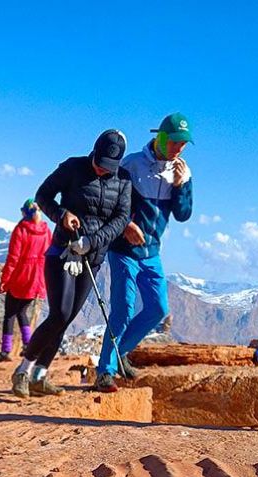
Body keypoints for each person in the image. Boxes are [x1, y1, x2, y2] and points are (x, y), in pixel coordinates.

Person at [11, 130, 131, 398]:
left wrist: (91, 242)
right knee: (60, 314)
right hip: (62, 252)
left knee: (65, 320)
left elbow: (121, 219)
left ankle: (40, 376)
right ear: (94, 152)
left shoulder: (123, 181)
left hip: (92, 258)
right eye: (99, 164)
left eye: (108, 168)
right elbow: (43, 196)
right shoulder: (73, 167)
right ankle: (22, 370)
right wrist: (62, 215)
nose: (102, 171)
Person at [96, 113, 194, 392]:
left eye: (184, 144)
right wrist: (125, 224)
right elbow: (108, 202)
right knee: (123, 309)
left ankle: (117, 354)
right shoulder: (131, 165)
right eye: (175, 142)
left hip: (152, 252)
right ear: (161, 138)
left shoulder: (182, 172)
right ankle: (105, 371)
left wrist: (181, 187)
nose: (179, 148)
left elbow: (183, 214)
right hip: (124, 249)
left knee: (157, 308)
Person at [0, 198, 52, 361]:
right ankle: (28, 345)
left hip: (20, 276)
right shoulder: (47, 232)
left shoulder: (21, 229)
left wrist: (5, 280)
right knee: (22, 311)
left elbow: (13, 257)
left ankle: (6, 350)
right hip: (37, 278)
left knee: (10, 314)